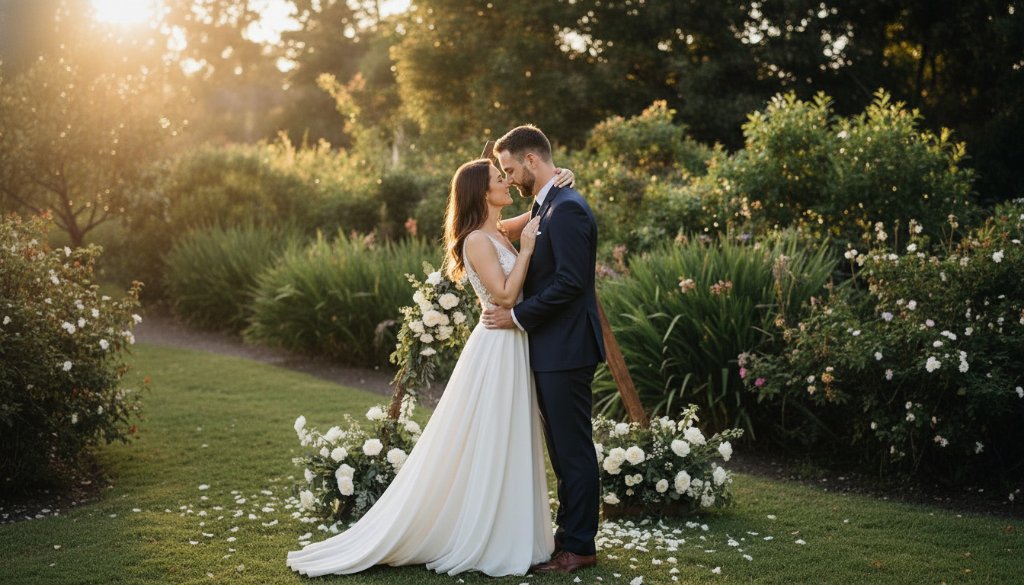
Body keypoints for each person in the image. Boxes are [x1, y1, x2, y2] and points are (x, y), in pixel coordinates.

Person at [285, 159, 576, 577]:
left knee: (509, 433)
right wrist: (527, 250)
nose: (508, 182)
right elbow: (506, 296)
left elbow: (539, 212)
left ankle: (510, 529)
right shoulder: (477, 240)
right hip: (497, 346)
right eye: (500, 178)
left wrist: (561, 178)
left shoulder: (497, 231)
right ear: (481, 192)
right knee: (493, 433)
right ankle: (486, 533)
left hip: (513, 343)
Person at [481, 124, 606, 574]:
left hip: (567, 349)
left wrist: (515, 316)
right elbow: (494, 230)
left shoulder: (567, 208)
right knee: (562, 449)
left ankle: (580, 545)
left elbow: (571, 283)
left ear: (531, 160)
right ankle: (567, 535)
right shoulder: (547, 203)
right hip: (553, 348)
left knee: (573, 450)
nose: (509, 178)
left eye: (511, 169)